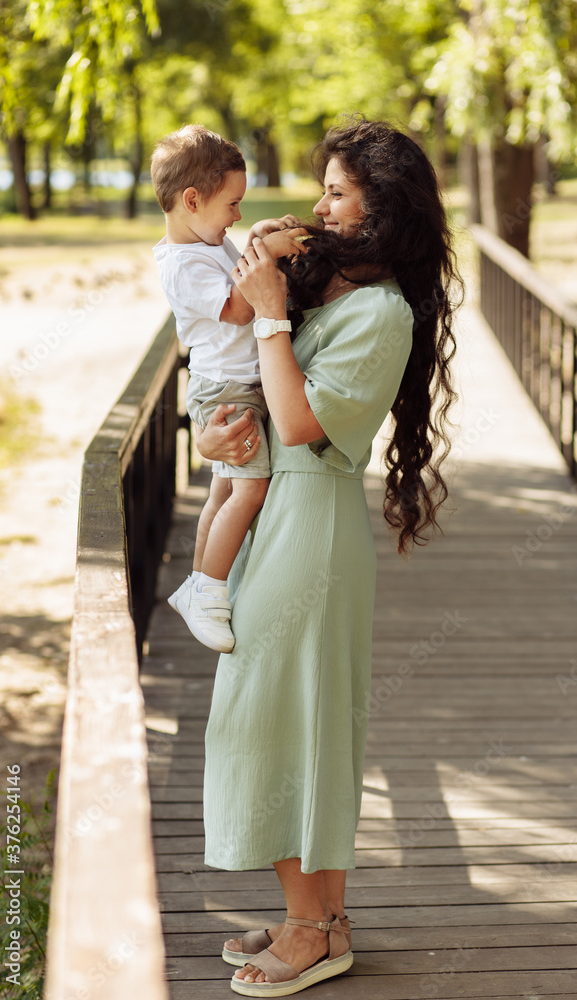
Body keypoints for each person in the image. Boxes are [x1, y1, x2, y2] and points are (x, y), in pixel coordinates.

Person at [196, 116, 460, 996]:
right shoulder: (340, 289)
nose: (320, 205)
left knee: (272, 721)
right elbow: (255, 398)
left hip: (309, 529)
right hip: (279, 513)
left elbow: (304, 423)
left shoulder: (381, 313)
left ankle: (309, 928)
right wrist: (218, 433)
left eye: (338, 192)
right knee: (293, 721)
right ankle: (320, 920)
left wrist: (273, 314)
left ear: (382, 207)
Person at [150, 123, 307, 652]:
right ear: (192, 200)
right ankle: (210, 591)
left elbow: (238, 271)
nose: (237, 216)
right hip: (226, 390)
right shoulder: (184, 264)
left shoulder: (206, 240)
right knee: (250, 490)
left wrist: (259, 237)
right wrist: (272, 255)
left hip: (234, 383)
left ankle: (197, 582)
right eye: (233, 205)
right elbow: (241, 307)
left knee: (222, 493)